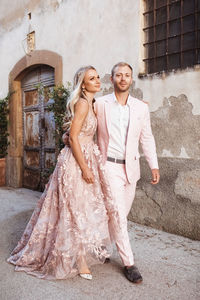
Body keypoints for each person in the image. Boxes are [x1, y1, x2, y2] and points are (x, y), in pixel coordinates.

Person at [7, 65, 121, 281]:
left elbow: (69, 134)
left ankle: (83, 252)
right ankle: (80, 260)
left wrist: (69, 139)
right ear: (83, 84)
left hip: (86, 156)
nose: (98, 81)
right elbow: (75, 137)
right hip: (77, 162)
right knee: (73, 209)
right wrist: (85, 167)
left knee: (83, 208)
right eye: (92, 78)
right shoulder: (82, 104)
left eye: (97, 77)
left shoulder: (91, 103)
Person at [64, 62, 160, 284]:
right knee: (117, 214)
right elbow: (78, 123)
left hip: (132, 168)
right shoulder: (100, 104)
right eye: (119, 75)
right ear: (112, 79)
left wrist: (153, 165)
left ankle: (100, 247)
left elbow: (147, 138)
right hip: (109, 167)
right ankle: (129, 263)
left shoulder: (141, 108)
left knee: (119, 214)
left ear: (131, 79)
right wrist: (67, 137)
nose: (123, 79)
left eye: (127, 75)